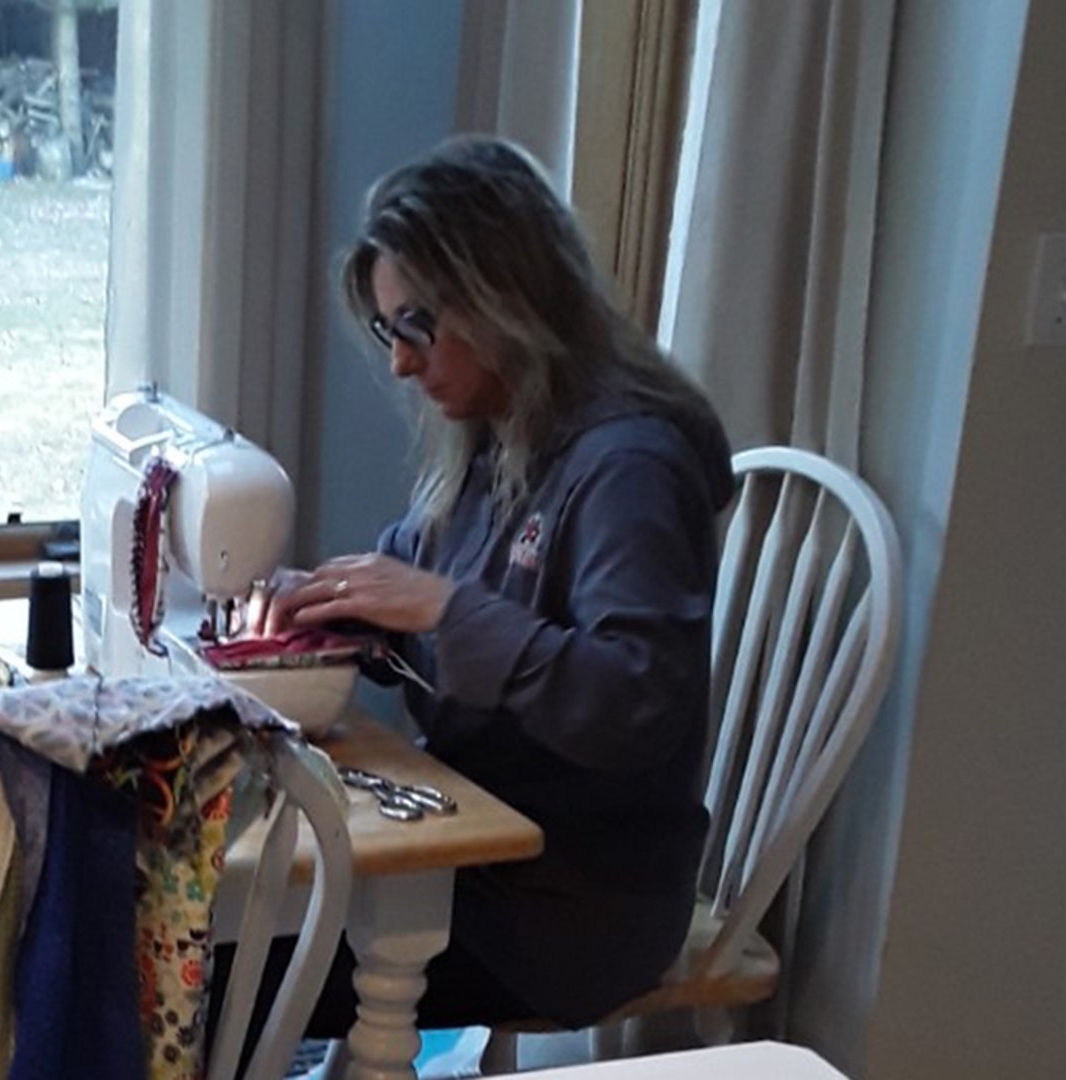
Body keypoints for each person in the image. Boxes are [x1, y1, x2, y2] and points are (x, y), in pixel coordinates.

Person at [236, 134, 735, 1039]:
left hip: (573, 909)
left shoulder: (629, 467)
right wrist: (325, 608)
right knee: (217, 934)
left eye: (416, 327)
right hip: (482, 853)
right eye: (391, 333)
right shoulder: (500, 431)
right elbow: (412, 572)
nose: (399, 363)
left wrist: (438, 609)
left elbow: (637, 702)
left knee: (214, 968)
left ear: (503, 295)